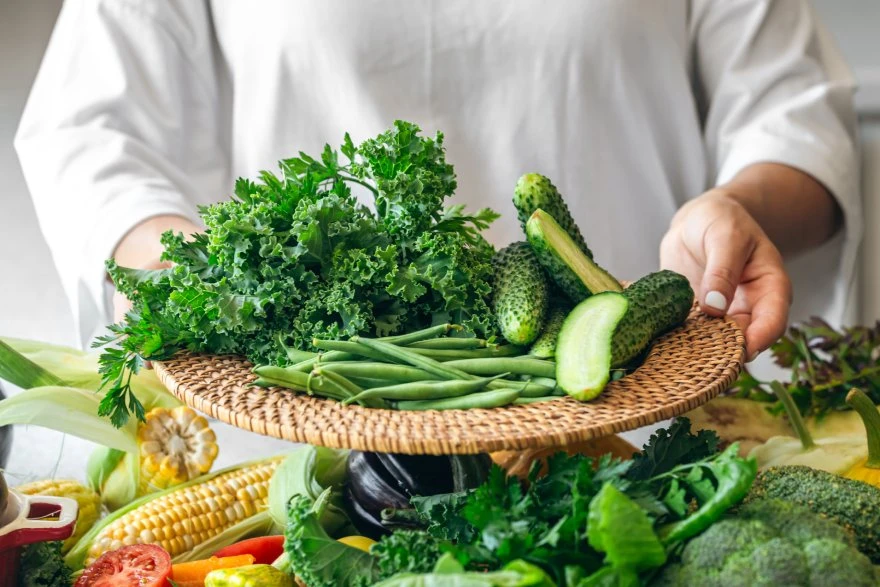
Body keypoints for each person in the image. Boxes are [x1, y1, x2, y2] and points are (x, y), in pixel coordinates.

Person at [15, 0, 860, 366]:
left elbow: (795, 116)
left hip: (634, 413)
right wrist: (200, 276)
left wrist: (737, 207)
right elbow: (88, 131)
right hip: (311, 433)